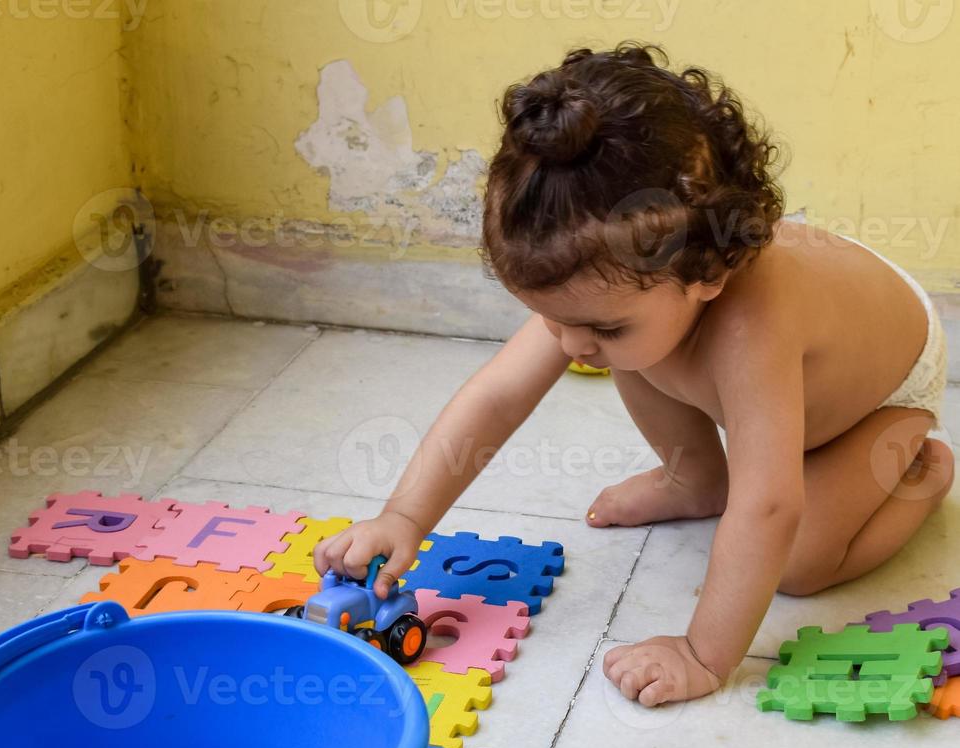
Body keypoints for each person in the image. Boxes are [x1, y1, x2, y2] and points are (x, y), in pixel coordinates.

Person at [315, 43, 952, 706]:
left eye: (600, 325)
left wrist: (704, 656)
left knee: (795, 563)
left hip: (877, 401)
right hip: (747, 327)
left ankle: (918, 472)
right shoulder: (618, 287)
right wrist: (403, 518)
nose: (568, 344)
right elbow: (496, 399)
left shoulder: (750, 325)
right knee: (639, 351)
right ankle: (696, 478)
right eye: (550, 318)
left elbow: (769, 504)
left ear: (712, 273)